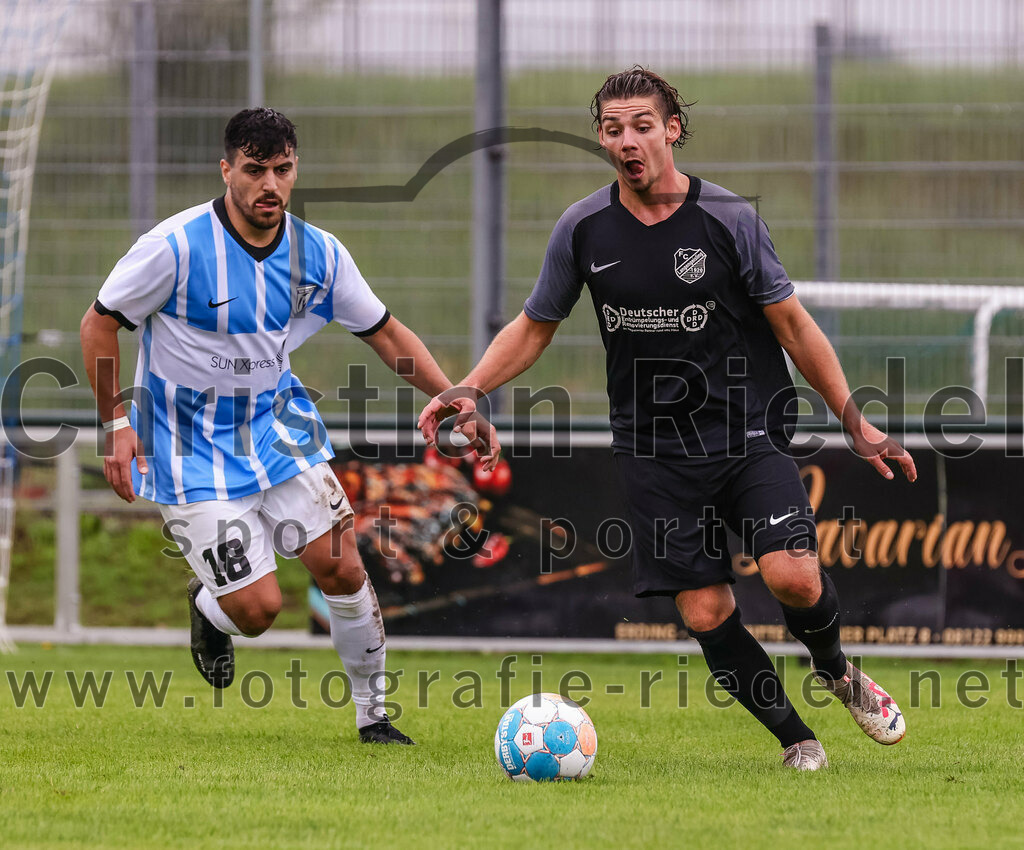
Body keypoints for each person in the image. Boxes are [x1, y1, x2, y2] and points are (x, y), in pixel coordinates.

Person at [419, 67, 916, 769]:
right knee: (706, 612)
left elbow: (796, 328)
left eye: (642, 126)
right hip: (653, 451)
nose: (628, 140)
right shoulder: (584, 228)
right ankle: (797, 740)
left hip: (746, 432)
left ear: (672, 129)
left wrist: (856, 423)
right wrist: (471, 386)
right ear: (601, 137)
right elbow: (534, 327)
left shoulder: (729, 220)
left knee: (794, 578)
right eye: (614, 128)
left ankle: (837, 670)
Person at [80, 107, 496, 745]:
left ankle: (374, 717)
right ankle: (209, 606)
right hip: (189, 447)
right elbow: (99, 323)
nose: (268, 184)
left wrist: (454, 396)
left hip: (277, 430)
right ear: (227, 171)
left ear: (295, 168)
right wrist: (115, 423)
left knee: (343, 569)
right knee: (260, 611)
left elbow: (384, 332)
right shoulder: (174, 247)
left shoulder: (318, 253)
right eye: (253, 170)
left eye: (281, 169)